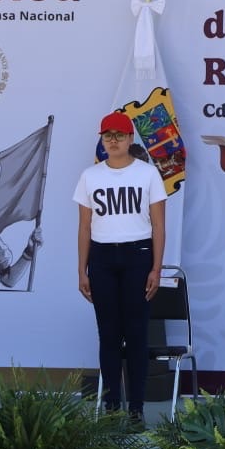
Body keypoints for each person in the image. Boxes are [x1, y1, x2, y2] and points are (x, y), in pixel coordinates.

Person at [74, 112, 166, 419]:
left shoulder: (148, 174)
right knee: (109, 334)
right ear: (102, 140)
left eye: (119, 135)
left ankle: (136, 407)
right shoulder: (91, 176)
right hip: (102, 258)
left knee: (137, 334)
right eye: (107, 136)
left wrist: (156, 268)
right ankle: (112, 406)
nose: (113, 141)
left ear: (130, 139)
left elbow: (158, 224)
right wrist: (81, 269)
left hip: (137, 254)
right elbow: (85, 226)